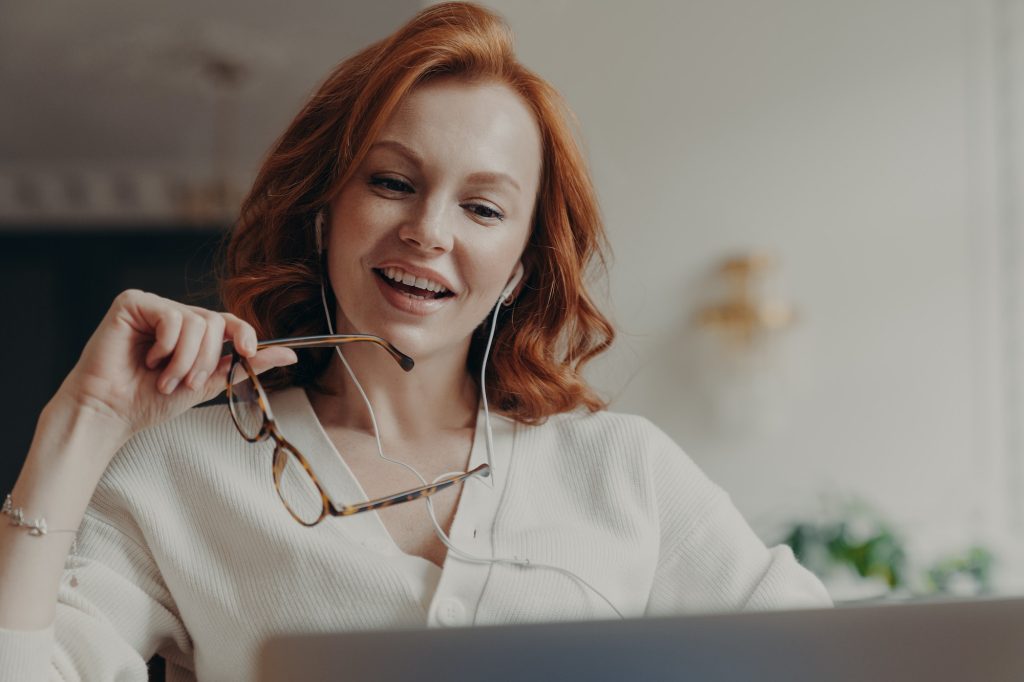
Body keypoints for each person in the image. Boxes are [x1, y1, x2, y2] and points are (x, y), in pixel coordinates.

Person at [0, 3, 831, 680]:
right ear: (325, 214)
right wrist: (87, 418)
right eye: (392, 182)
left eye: (483, 207)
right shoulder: (179, 473)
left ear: (518, 267)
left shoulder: (623, 469)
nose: (428, 231)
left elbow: (828, 662)